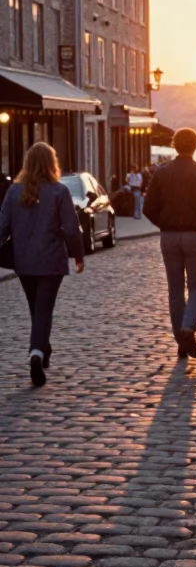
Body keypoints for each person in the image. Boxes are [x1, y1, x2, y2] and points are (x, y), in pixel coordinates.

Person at [0, 142, 84, 387]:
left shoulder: (14, 192)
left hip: (24, 261)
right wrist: (78, 255)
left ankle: (42, 348)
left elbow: (2, 225)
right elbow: (71, 228)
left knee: (36, 308)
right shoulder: (59, 191)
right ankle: (36, 353)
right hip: (50, 260)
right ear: (52, 163)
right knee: (44, 309)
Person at [143, 127, 196, 359]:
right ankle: (189, 327)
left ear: (174, 145)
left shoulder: (161, 172)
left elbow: (148, 207)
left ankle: (182, 341)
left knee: (175, 290)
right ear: (195, 146)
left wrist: (165, 224)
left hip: (169, 236)